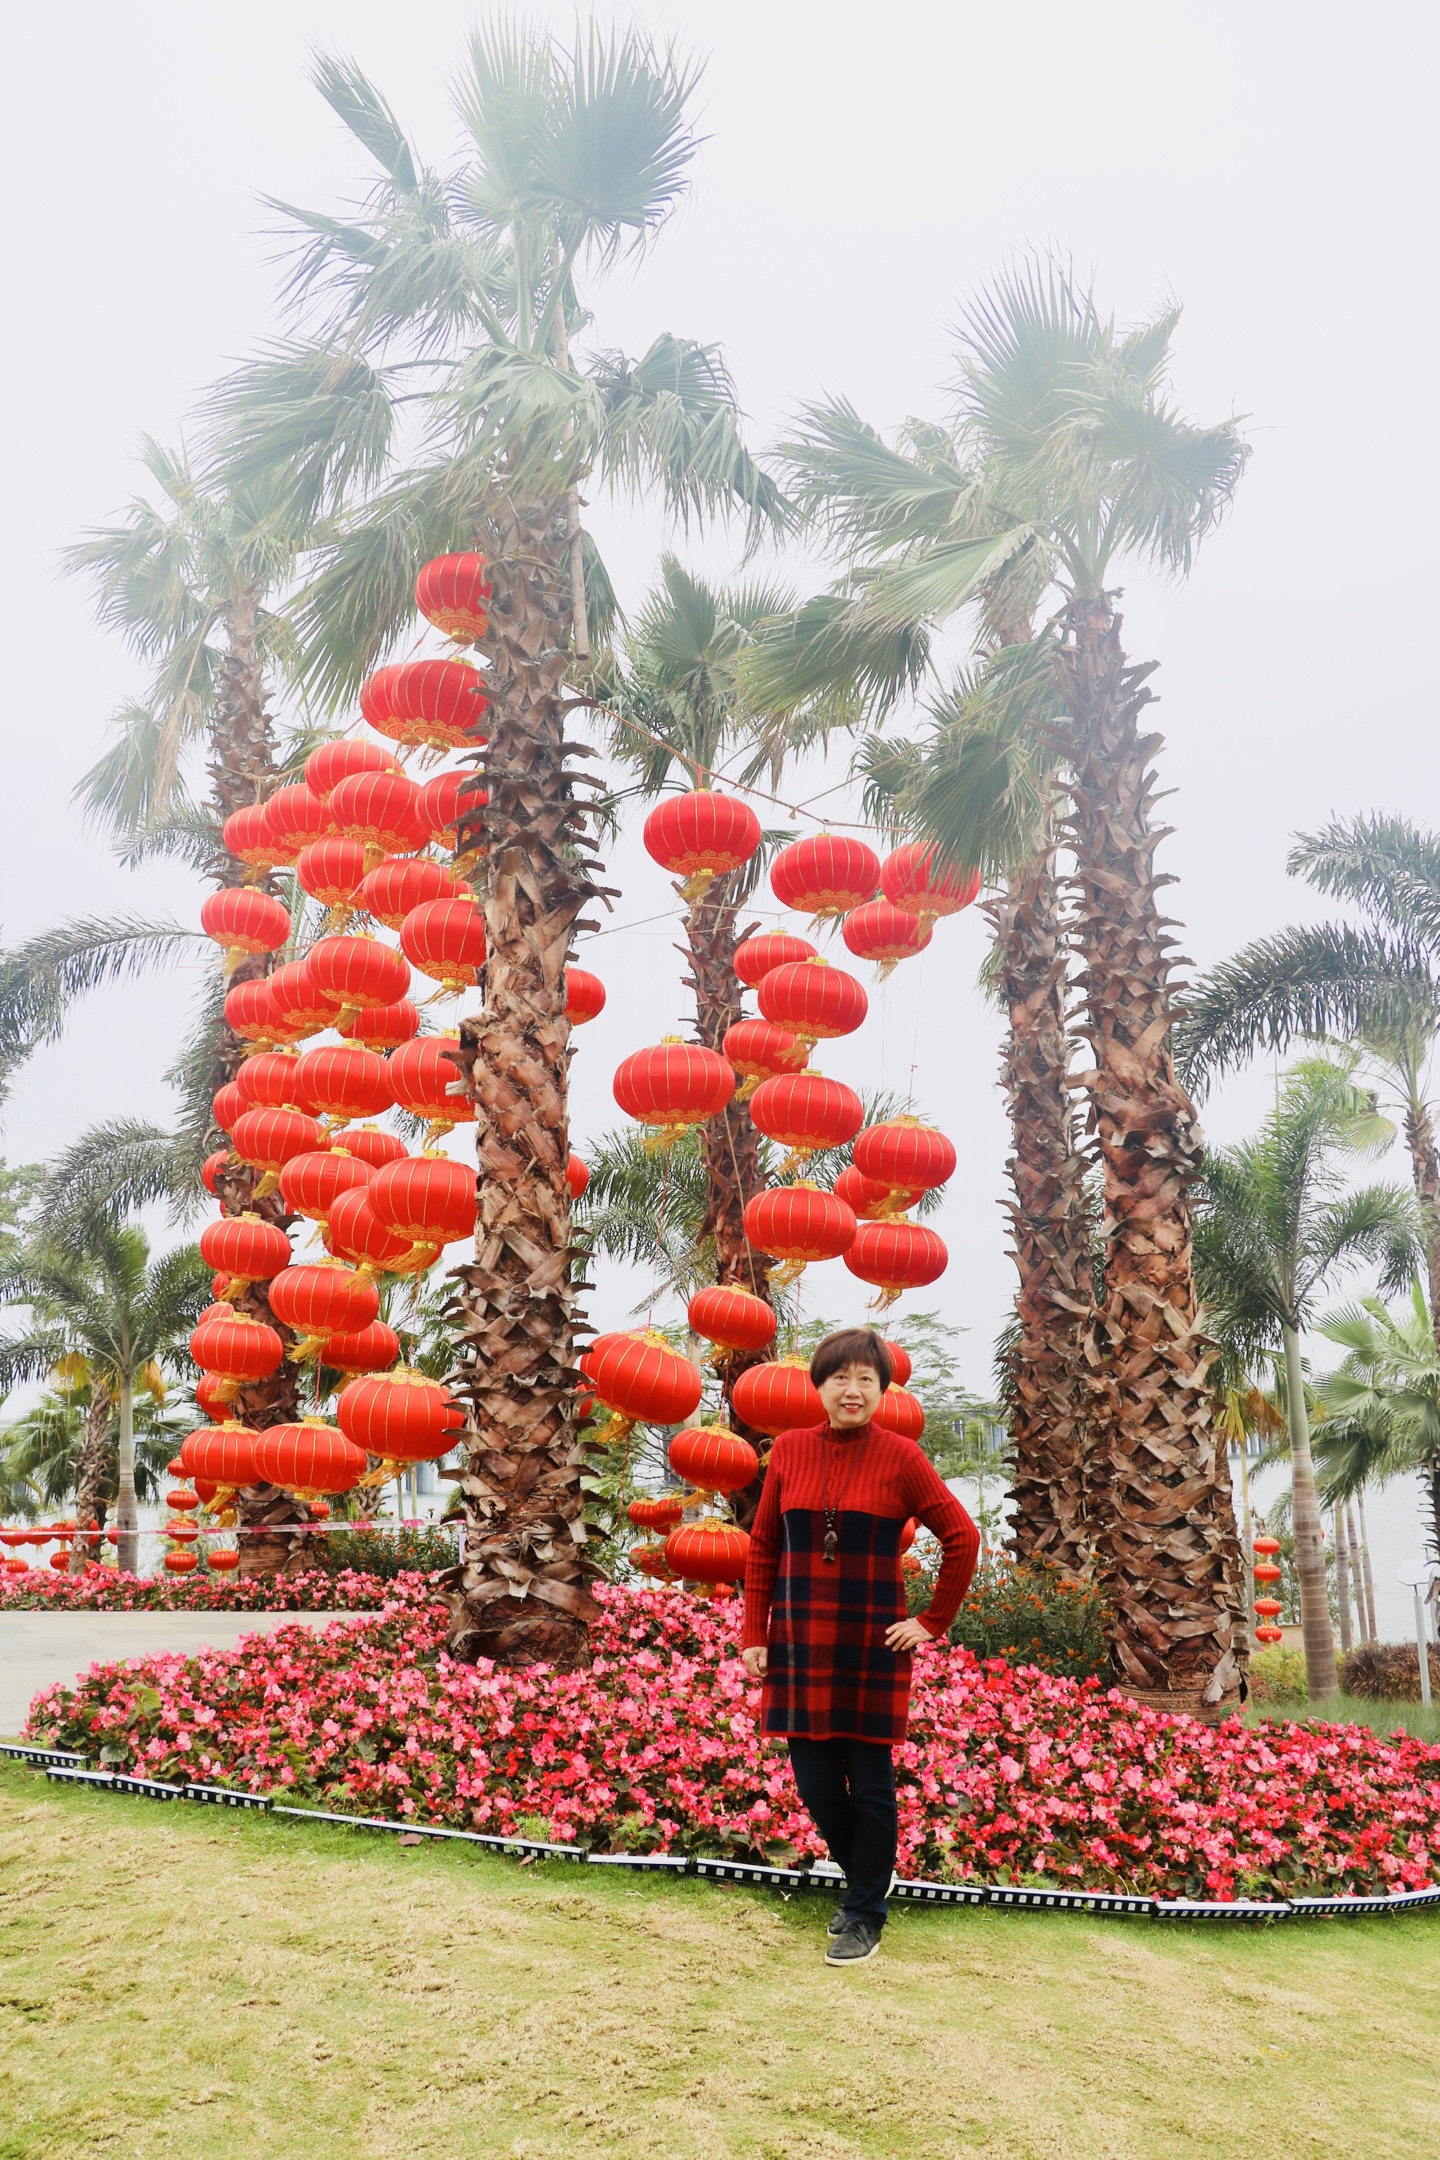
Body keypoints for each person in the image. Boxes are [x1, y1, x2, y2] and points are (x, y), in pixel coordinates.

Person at [741, 1327, 979, 1966]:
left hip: (872, 1643)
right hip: (799, 1639)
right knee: (815, 1784)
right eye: (839, 1378)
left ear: (881, 1389)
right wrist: (752, 1633)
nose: (852, 1390)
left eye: (865, 1380)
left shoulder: (902, 1457)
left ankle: (866, 1910)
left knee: (870, 1784)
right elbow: (764, 1545)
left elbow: (962, 1536)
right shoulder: (788, 1450)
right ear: (819, 1386)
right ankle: (866, 1882)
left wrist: (932, 1620)